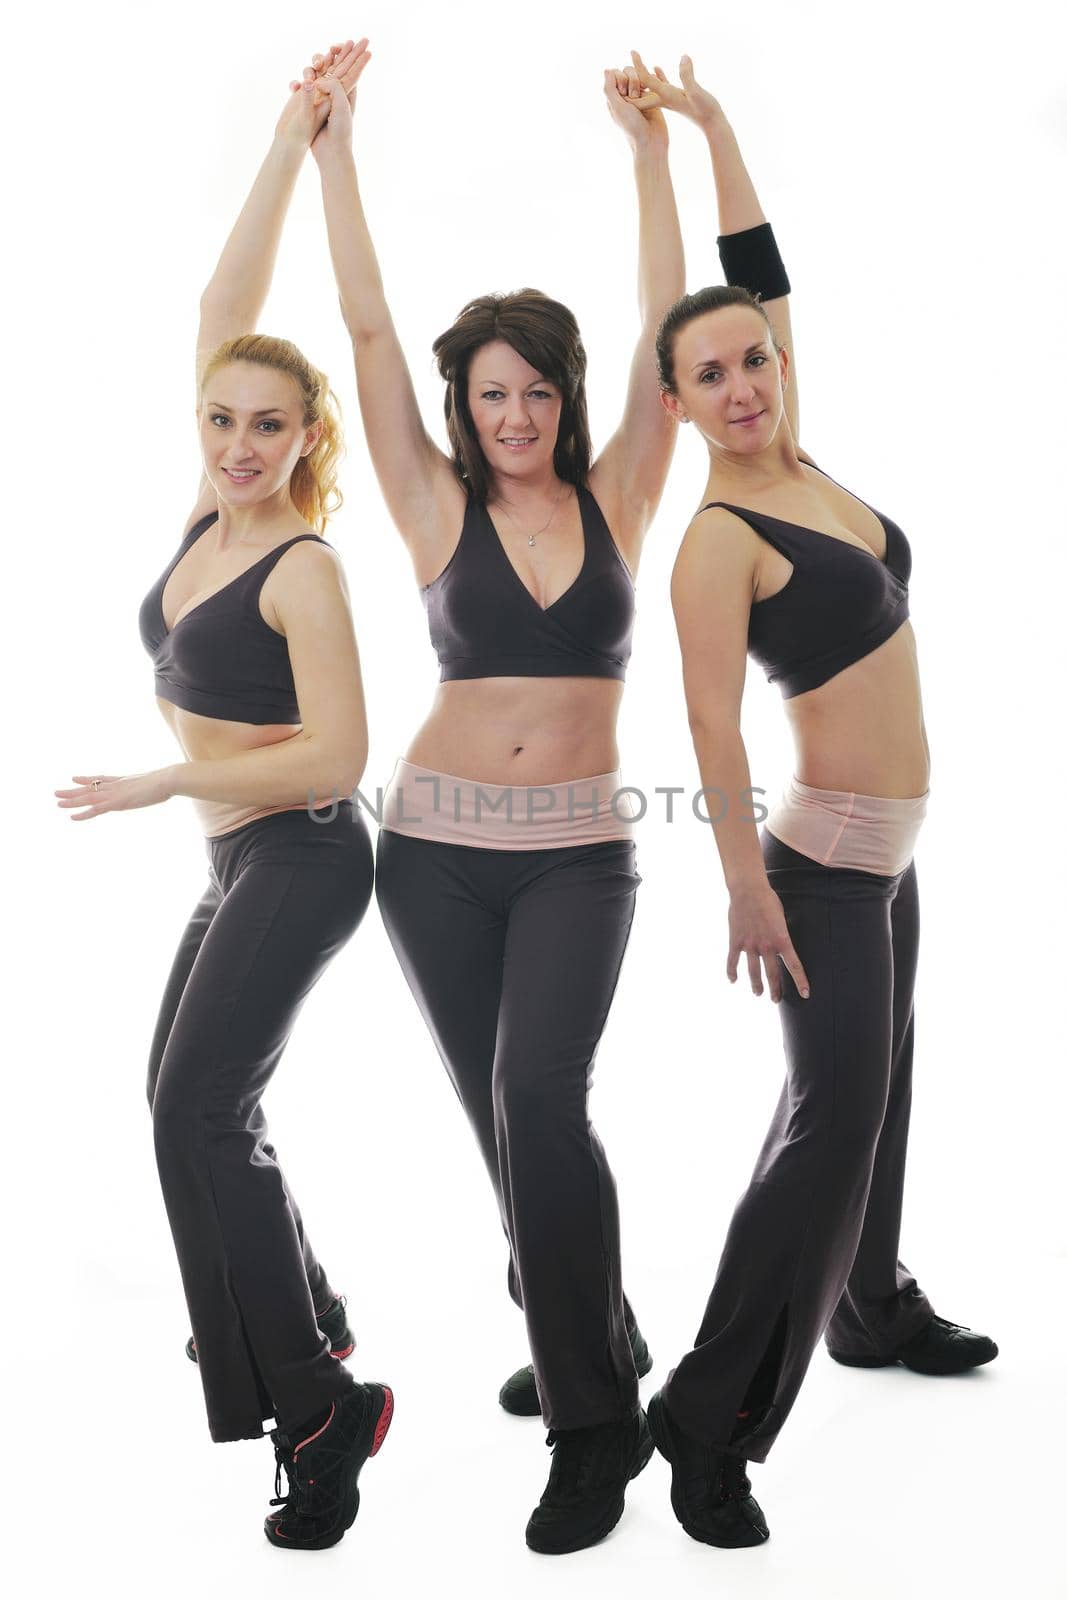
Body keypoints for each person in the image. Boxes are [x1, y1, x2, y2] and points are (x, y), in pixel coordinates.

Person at [302, 42, 684, 1554]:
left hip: (580, 855)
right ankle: (597, 1326)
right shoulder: (430, 499)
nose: (512, 414)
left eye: (533, 392)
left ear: (565, 398)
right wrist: (335, 146)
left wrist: (653, 154)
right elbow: (368, 325)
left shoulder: (623, 492)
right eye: (490, 394)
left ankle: (597, 1430)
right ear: (462, 405)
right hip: (437, 860)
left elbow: (667, 323)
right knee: (499, 1121)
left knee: (545, 1099)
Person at [631, 55, 998, 1550]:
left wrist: (714, 128)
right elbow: (708, 727)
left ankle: (872, 1304)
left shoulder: (813, 466)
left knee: (884, 1095)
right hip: (820, 873)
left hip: (893, 861)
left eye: (754, 361)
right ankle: (710, 1422)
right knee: (830, 1117)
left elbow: (761, 277)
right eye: (710, 375)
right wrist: (742, 885)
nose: (741, 383)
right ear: (680, 401)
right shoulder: (716, 537)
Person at [55, 41, 392, 1552]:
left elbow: (337, 761)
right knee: (181, 1104)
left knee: (201, 1107)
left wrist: (162, 779)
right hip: (239, 860)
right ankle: (305, 1313)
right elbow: (218, 315)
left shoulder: (302, 563)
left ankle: (320, 1410)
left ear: (308, 440)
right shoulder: (207, 515)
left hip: (307, 850)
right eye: (222, 422)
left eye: (269, 426)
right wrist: (292, 134)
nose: (242, 445)